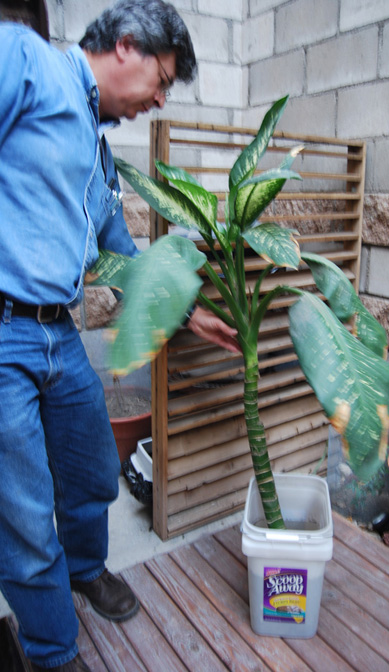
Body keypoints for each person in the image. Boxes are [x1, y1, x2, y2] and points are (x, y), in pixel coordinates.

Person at [0, 2, 239, 671]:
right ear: (127, 46)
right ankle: (52, 651)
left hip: (58, 334)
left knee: (93, 472)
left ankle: (85, 567)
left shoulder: (96, 150)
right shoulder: (24, 62)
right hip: (4, 338)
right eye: (161, 81)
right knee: (21, 519)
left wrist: (190, 315)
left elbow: (122, 255)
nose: (158, 100)